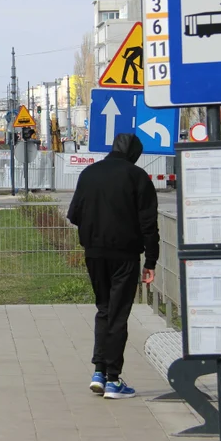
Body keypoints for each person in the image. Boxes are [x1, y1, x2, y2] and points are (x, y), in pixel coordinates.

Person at [66, 133, 159, 399]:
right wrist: (150, 260)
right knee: (118, 315)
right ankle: (113, 380)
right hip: (125, 257)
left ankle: (98, 371)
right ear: (134, 154)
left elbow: (74, 215)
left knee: (104, 310)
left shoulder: (89, 174)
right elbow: (148, 225)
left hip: (94, 254)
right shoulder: (138, 177)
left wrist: (94, 231)